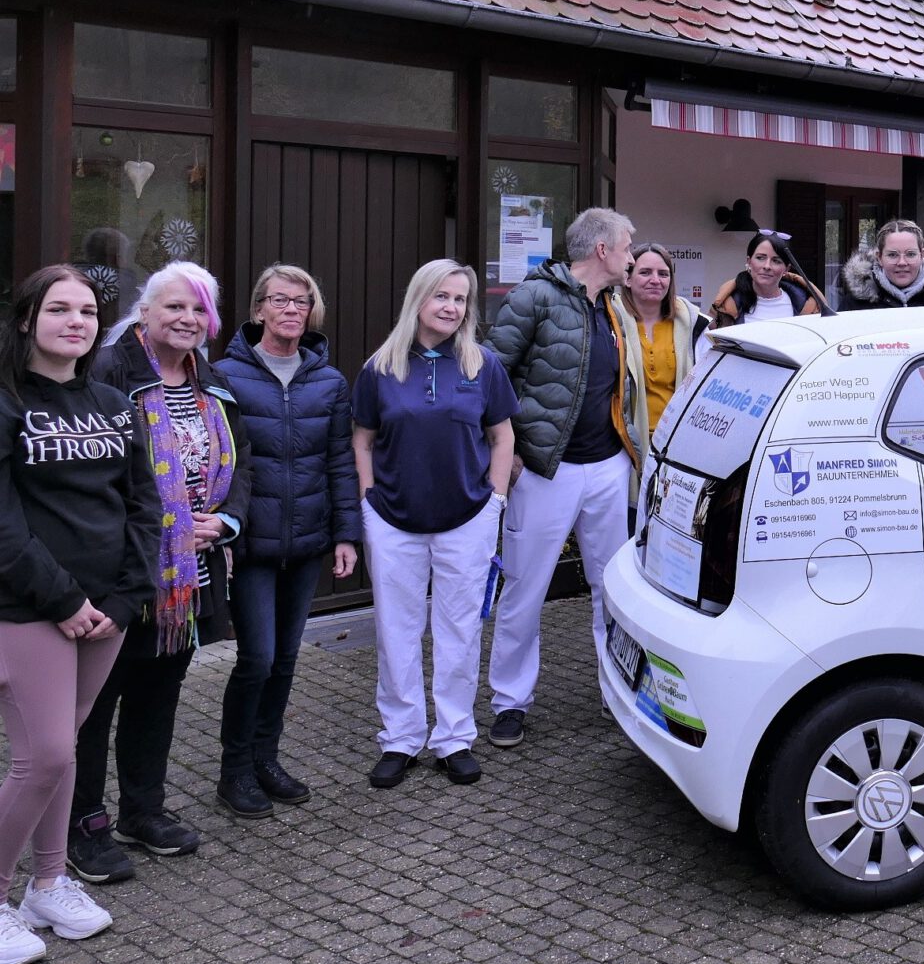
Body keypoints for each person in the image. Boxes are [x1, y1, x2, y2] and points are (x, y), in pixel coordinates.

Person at [69, 263, 251, 884]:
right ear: (144, 312)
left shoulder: (213, 378)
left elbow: (241, 460)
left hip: (189, 578)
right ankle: (82, 827)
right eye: (175, 307)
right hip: (122, 575)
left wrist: (226, 522)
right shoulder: (107, 374)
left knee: (158, 694)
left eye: (199, 310)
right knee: (94, 705)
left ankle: (141, 810)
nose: (188, 320)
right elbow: (92, 483)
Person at [0, 268, 159, 964]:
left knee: (63, 744)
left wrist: (127, 598)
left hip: (107, 612)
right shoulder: (5, 403)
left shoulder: (114, 402)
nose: (77, 321)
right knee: (47, 756)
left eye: (89, 311)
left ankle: (48, 884)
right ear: (27, 318)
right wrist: (64, 601)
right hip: (29, 608)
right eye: (59, 309)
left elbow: (144, 507)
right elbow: (2, 527)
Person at [352, 260, 515, 789]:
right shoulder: (380, 367)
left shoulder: (482, 364)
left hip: (467, 518)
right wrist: (367, 499)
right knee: (396, 630)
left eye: (461, 299)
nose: (452, 307)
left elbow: (502, 436)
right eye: (442, 296)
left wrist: (495, 501)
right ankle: (400, 737)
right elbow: (362, 440)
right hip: (394, 519)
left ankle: (453, 737)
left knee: (460, 631)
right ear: (418, 299)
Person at [484, 208, 635, 752]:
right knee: (526, 585)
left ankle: (616, 690)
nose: (631, 257)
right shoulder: (535, 296)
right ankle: (509, 702)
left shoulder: (611, 305)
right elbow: (491, 371)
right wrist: (510, 449)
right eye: (625, 247)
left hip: (609, 467)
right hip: (546, 469)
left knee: (612, 587)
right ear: (601, 251)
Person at [214, 265, 360, 820]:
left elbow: (341, 462)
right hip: (249, 543)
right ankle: (233, 772)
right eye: (280, 301)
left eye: (302, 302)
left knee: (286, 658)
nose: (292, 310)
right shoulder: (224, 375)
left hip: (306, 542)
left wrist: (346, 534)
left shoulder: (329, 381)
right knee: (256, 657)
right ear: (258, 311)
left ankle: (265, 760)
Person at [613, 244, 708, 443]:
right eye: (645, 272)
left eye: (663, 274)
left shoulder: (694, 325)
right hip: (621, 441)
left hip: (675, 441)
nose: (655, 280)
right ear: (628, 279)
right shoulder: (610, 320)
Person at [708, 232, 828, 327]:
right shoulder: (726, 305)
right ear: (749, 262)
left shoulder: (807, 307)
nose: (767, 266)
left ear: (787, 268)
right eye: (760, 258)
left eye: (776, 261)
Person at [839, 220, 924, 309]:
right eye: (892, 255)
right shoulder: (854, 302)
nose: (902, 262)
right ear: (879, 258)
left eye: (910, 254)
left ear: (923, 255)